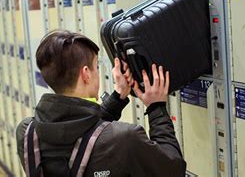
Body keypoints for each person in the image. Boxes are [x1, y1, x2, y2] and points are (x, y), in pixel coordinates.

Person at [16, 30, 186, 177]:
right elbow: (173, 169)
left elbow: (78, 132)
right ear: (86, 74)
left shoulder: (27, 133)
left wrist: (118, 97)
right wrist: (156, 107)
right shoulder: (124, 139)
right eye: (96, 67)